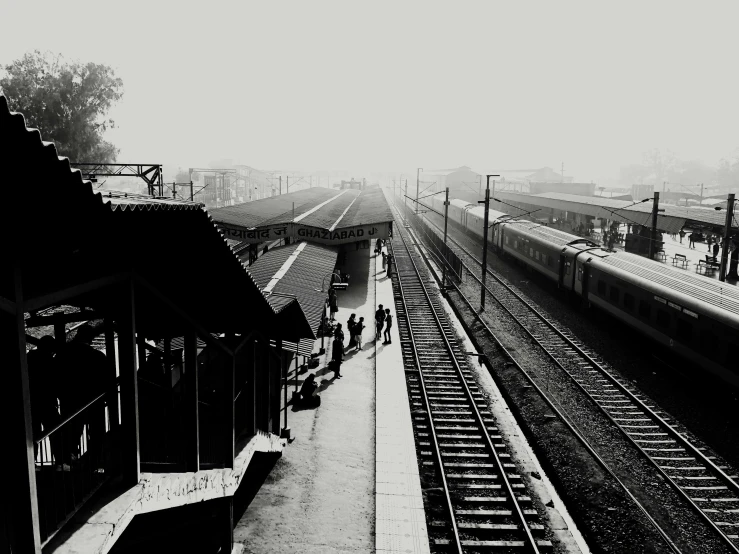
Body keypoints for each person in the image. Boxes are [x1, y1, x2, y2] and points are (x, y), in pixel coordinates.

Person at [56, 324, 108, 467]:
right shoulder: (98, 357)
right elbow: (106, 381)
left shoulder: (62, 355)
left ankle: (69, 461)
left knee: (71, 433)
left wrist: (61, 396)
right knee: (96, 433)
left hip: (70, 401)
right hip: (93, 401)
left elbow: (56, 379)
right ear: (91, 338)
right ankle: (95, 463)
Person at [28, 335, 62, 463]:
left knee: (33, 433)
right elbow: (56, 382)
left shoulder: (28, 358)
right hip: (47, 402)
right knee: (56, 431)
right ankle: (60, 460)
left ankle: (33, 461)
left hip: (31, 402)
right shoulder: (50, 361)